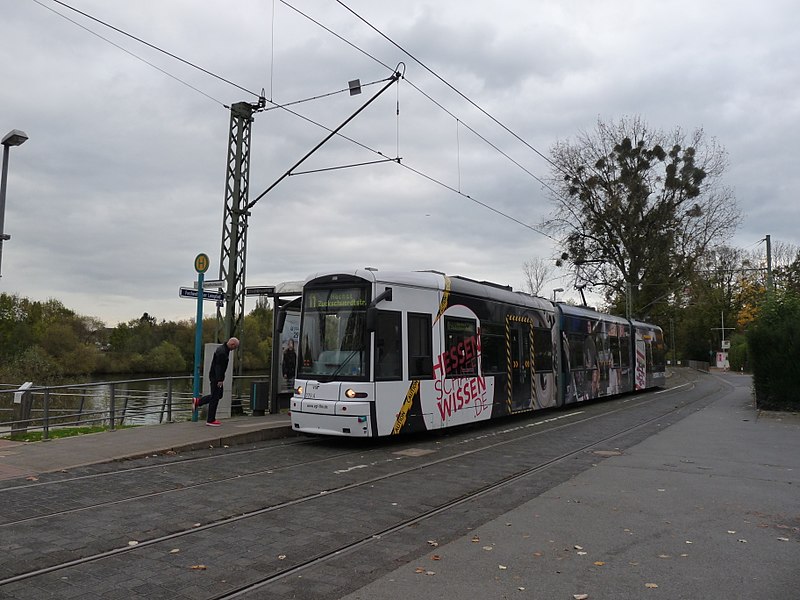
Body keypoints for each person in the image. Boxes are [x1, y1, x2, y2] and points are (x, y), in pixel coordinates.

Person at [194, 337, 239, 426]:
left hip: (215, 376)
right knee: (215, 398)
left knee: (218, 395)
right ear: (232, 344)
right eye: (235, 347)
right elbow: (219, 367)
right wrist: (220, 379)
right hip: (216, 378)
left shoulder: (223, 349)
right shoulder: (222, 352)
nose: (235, 349)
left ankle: (198, 402)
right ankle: (210, 419)